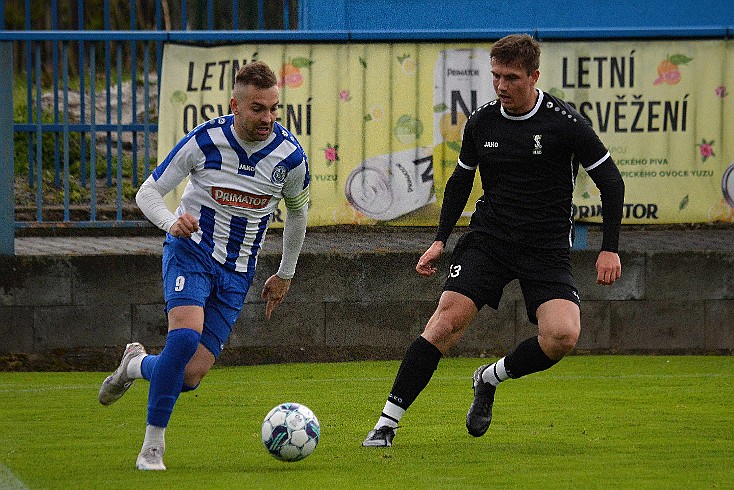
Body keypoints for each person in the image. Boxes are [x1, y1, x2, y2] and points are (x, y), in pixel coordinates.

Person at [362, 34, 624, 447]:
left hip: (546, 247)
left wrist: (609, 247)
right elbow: (461, 180)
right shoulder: (482, 121)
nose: (501, 86)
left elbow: (610, 181)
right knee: (445, 323)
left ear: (534, 76)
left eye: (512, 78)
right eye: (496, 76)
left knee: (562, 337)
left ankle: (489, 378)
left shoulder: (565, 123)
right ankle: (385, 425)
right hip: (491, 239)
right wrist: (439, 239)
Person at [98, 61, 310, 470]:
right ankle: (152, 449)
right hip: (190, 251)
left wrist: (285, 273)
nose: (267, 118)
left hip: (238, 271)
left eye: (273, 109)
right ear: (235, 105)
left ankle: (135, 365)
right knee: (182, 339)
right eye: (257, 109)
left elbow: (298, 214)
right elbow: (148, 192)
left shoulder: (289, 156)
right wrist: (171, 222)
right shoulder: (206, 140)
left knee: (190, 376)